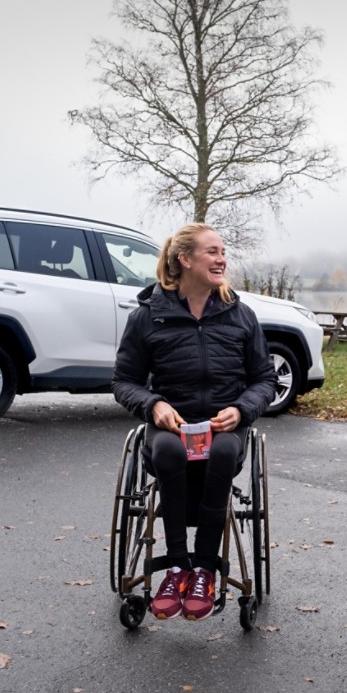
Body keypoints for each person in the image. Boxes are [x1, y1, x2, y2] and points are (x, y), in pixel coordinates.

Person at [113, 223, 277, 621]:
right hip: (172, 425)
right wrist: (153, 405)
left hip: (224, 426)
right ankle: (176, 568)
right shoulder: (148, 317)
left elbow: (265, 379)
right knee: (167, 451)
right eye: (212, 252)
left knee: (222, 452)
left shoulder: (241, 316)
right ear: (184, 259)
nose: (222, 259)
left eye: (223, 252)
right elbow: (124, 382)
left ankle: (204, 569)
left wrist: (241, 409)